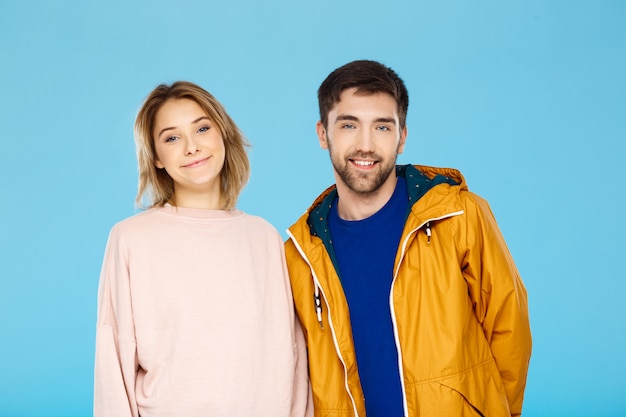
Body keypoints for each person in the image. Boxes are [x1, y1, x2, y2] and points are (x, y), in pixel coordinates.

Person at [284, 60, 532, 417]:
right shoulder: (302, 253)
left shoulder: (458, 215)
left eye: (382, 127)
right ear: (323, 135)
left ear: (402, 137)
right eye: (349, 125)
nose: (365, 145)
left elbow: (510, 329)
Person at [94, 81, 311, 417]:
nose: (191, 147)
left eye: (202, 128)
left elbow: (293, 358)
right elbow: (113, 361)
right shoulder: (131, 239)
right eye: (172, 137)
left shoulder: (264, 238)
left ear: (222, 135)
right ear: (156, 159)